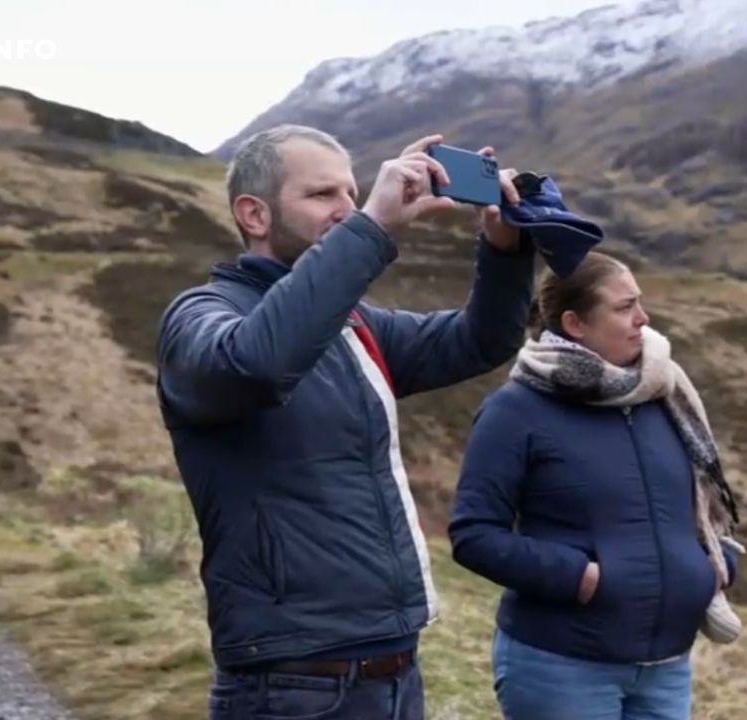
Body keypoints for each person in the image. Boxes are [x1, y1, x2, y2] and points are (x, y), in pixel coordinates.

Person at [154, 124, 535, 720]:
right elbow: (254, 365)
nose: (346, 209)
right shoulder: (201, 316)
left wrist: (505, 250)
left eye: (352, 196)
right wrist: (371, 228)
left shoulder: (355, 326)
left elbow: (481, 339)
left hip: (393, 665)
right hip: (291, 680)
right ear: (254, 214)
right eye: (322, 195)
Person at [448, 250, 743, 720]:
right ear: (575, 323)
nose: (643, 319)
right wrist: (580, 578)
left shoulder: (663, 394)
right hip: (561, 668)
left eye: (639, 304)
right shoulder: (515, 410)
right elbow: (474, 535)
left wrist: (715, 561)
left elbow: (704, 503)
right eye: (624, 307)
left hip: (666, 670)